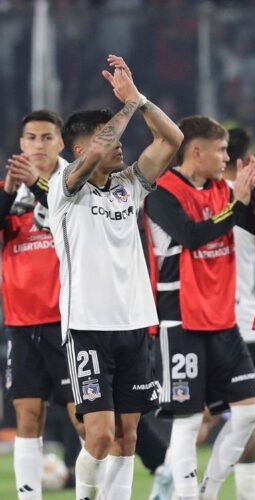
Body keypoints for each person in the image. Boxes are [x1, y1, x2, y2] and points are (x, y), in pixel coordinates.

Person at [48, 55, 183, 500]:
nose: (120, 143)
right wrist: (123, 110)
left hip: (133, 324)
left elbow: (173, 138)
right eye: (106, 136)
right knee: (101, 435)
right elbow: (93, 158)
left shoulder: (130, 184)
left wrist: (139, 99)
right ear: (81, 149)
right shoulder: (63, 188)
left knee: (128, 435)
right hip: (88, 326)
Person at [145, 116, 255, 500]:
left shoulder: (223, 190)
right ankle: (187, 494)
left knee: (247, 410)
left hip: (222, 317)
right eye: (222, 150)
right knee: (189, 417)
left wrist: (254, 196)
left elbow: (252, 225)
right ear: (196, 151)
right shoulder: (161, 193)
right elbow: (192, 236)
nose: (227, 157)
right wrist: (234, 205)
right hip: (180, 317)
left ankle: (207, 489)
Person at [1, 109, 84, 499]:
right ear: (20, 145)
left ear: (61, 142)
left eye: (47, 137)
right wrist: (8, 192)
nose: (38, 145)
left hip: (70, 323)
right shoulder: (6, 190)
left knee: (83, 420)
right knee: (27, 417)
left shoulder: (75, 181)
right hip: (22, 322)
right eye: (31, 138)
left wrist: (35, 184)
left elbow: (69, 217)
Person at [191, 126, 255, 500]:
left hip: (223, 320)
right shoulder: (241, 199)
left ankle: (178, 483)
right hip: (233, 323)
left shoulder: (211, 199)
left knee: (219, 417)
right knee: (231, 416)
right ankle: (184, 484)